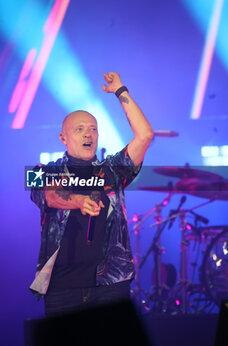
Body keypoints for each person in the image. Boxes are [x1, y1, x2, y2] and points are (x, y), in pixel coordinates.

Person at [30, 72, 153, 317]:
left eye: (93, 129)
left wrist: (121, 91)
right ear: (63, 138)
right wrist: (78, 201)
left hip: (110, 285)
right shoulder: (41, 170)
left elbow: (145, 136)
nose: (88, 134)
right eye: (80, 129)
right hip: (61, 288)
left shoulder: (112, 171)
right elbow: (50, 196)